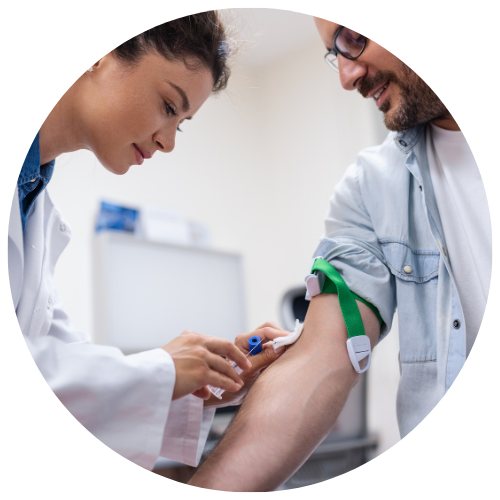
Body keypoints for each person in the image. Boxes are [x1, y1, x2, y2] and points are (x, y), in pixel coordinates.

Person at [187, 19, 491, 491]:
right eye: (336, 53)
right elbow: (320, 356)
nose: (347, 77)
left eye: (353, 38)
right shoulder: (370, 189)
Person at [8, 12, 288, 472]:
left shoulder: (32, 201)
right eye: (168, 106)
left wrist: (196, 384)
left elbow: (66, 369)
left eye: (182, 123)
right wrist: (162, 369)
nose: (169, 143)